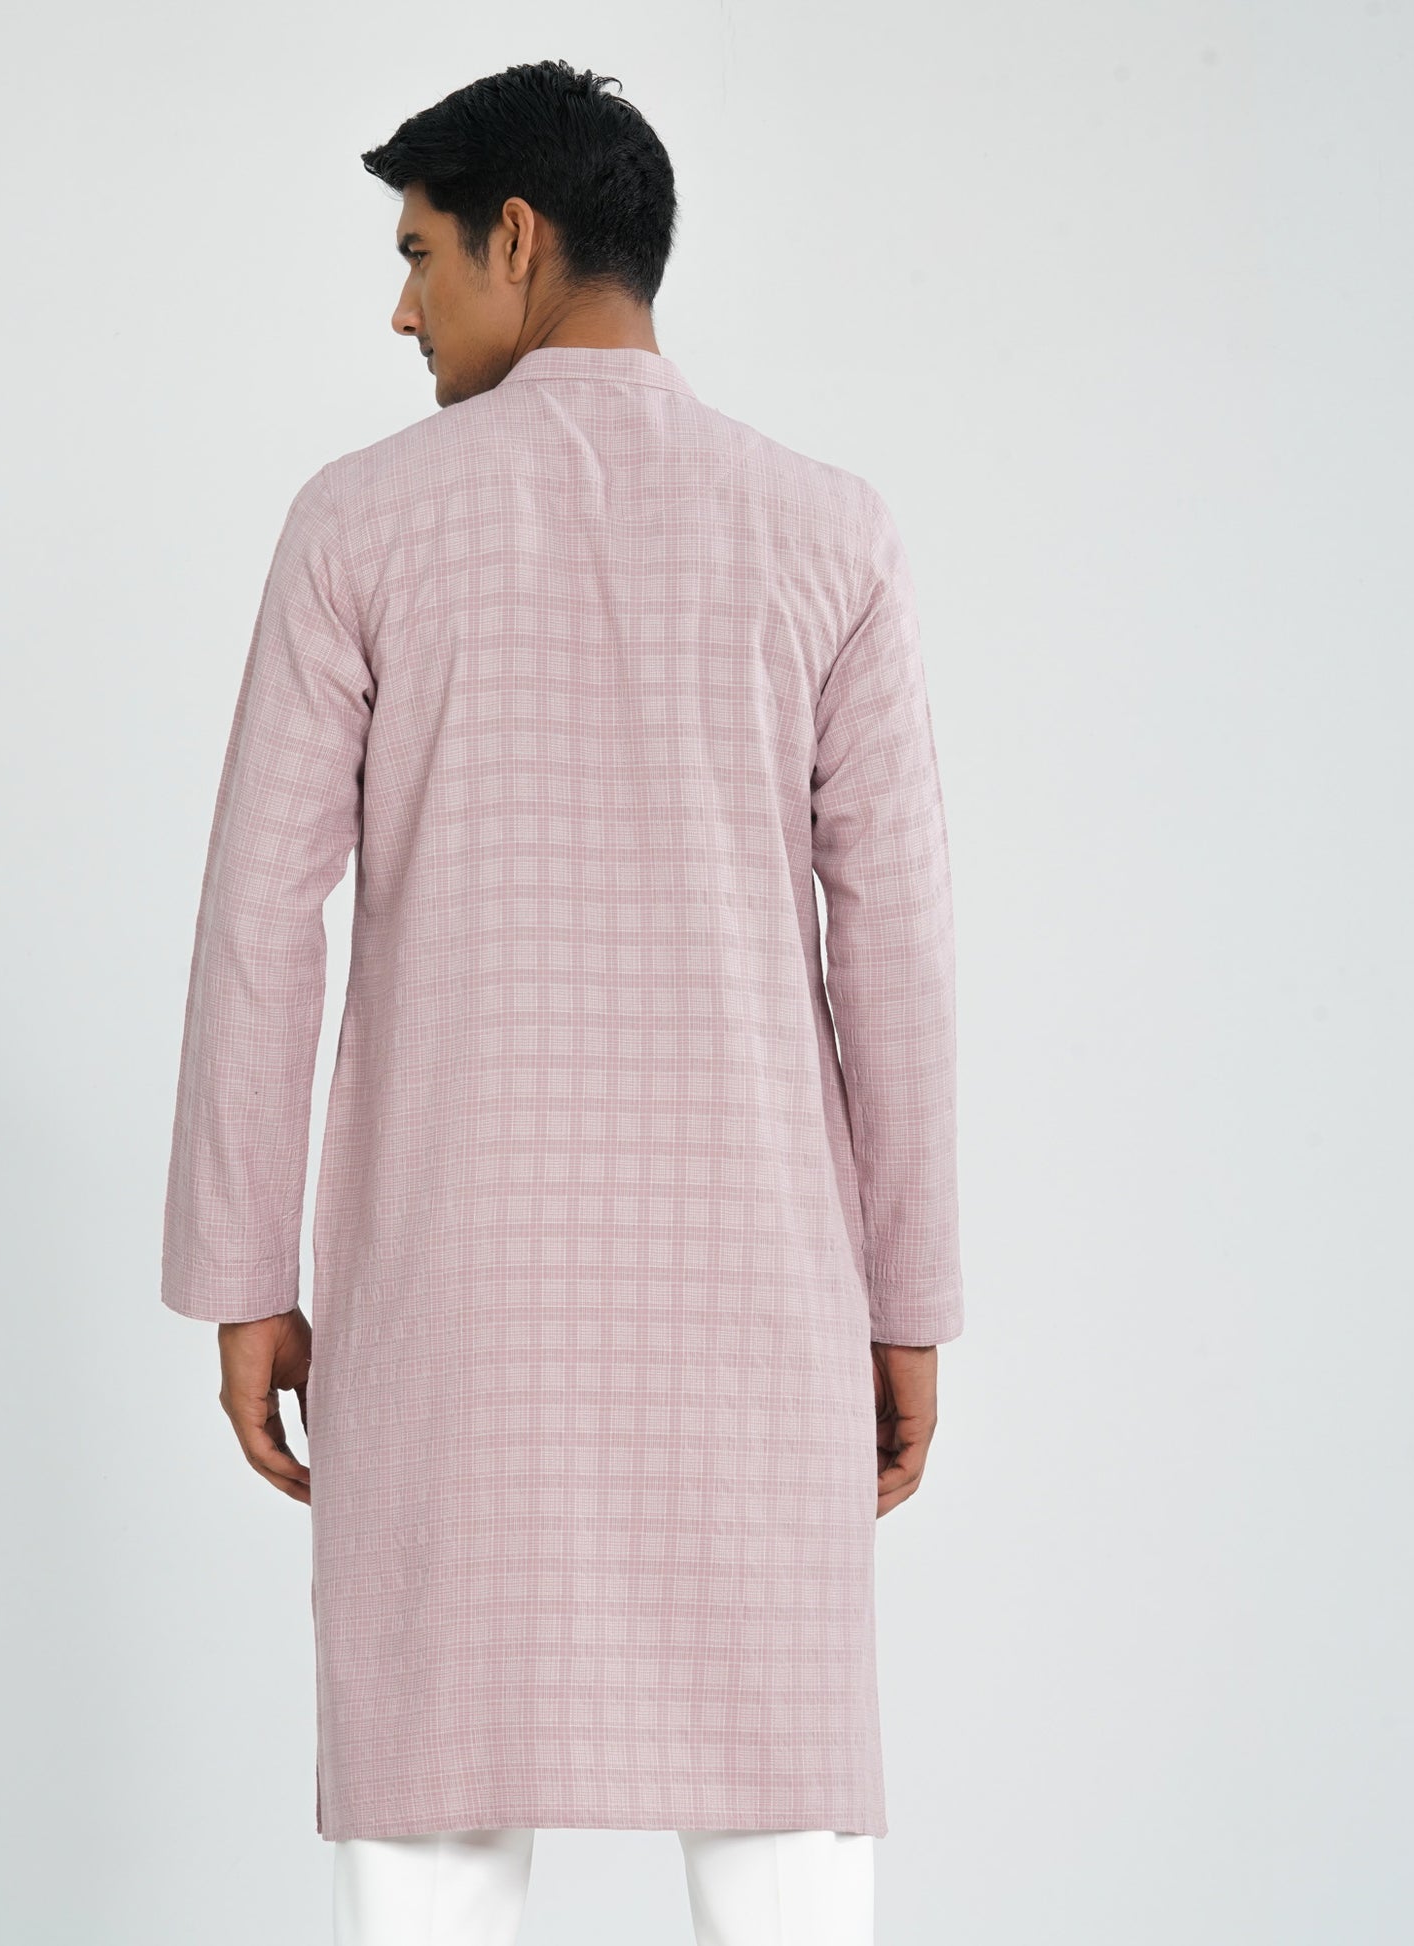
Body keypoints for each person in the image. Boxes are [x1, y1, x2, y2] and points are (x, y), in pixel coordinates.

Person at [159, 58, 962, 1946]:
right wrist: (908, 1295)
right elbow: (899, 946)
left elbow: (260, 917)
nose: (402, 308)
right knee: (780, 1809)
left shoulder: (358, 523)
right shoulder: (826, 531)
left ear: (514, 238)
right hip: (755, 1290)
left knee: (430, 1805)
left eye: (417, 254)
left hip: (453, 1287)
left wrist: (247, 1271)